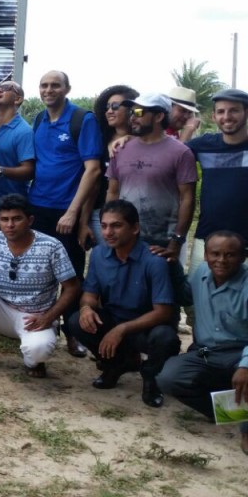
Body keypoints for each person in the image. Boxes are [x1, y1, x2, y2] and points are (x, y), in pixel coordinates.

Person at [67, 200, 180, 408]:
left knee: (165, 337)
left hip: (145, 327)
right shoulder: (99, 254)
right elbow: (89, 294)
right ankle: (117, 363)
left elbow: (163, 312)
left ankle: (151, 376)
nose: (108, 232)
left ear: (135, 228)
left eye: (116, 226)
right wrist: (85, 308)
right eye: (104, 226)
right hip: (114, 319)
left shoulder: (154, 260)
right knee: (77, 321)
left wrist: (122, 329)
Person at [0, 194, 80, 377]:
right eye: (4, 219)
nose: (10, 225)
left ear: (30, 220)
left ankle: (33, 362)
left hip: (36, 317)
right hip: (2, 310)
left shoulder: (51, 246)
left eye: (16, 219)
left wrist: (49, 317)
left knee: (39, 350)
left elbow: (72, 287)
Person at [106, 92, 196, 327]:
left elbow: (187, 199)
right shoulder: (120, 149)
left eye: (139, 112)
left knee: (164, 306)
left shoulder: (180, 152)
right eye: (131, 111)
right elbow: (113, 192)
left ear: (158, 116)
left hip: (161, 242)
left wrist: (177, 241)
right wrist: (108, 230)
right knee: (124, 299)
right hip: (125, 240)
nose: (132, 117)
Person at [30, 70, 103, 357]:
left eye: (55, 85)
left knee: (70, 273)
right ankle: (44, 326)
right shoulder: (39, 119)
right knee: (40, 270)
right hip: (38, 206)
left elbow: (93, 171)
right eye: (44, 85)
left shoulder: (82, 120)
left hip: (66, 210)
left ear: (67, 89)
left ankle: (73, 333)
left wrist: (76, 216)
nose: (49, 90)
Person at [157, 231, 248, 455]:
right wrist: (172, 265)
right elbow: (186, 296)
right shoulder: (201, 273)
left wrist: (246, 365)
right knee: (169, 378)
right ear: (206, 255)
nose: (221, 260)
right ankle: (224, 411)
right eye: (215, 254)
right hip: (207, 351)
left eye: (230, 255)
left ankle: (246, 431)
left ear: (243, 257)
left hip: (240, 351)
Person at [187, 89, 248, 281]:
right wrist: (124, 137)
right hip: (207, 239)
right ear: (214, 116)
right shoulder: (203, 146)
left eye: (234, 110)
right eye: (221, 111)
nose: (227, 117)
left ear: (246, 112)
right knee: (196, 295)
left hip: (246, 241)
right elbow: (170, 154)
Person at [88, 84, 136, 248]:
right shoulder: (99, 139)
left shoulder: (143, 142)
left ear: (131, 109)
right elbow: (93, 183)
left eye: (115, 106)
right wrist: (83, 221)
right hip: (100, 214)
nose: (109, 111)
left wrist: (132, 139)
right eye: (107, 107)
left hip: (133, 214)